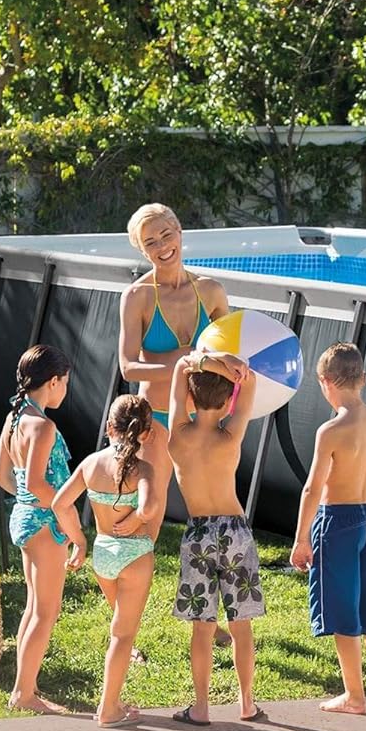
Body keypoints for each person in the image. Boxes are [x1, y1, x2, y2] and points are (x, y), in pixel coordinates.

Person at [117, 201, 238, 650]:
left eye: (166, 234)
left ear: (180, 230)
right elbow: (129, 366)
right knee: (148, 520)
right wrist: (188, 362)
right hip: (157, 421)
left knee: (211, 520)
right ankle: (126, 632)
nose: (162, 246)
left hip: (203, 419)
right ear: (142, 250)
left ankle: (211, 620)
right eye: (150, 241)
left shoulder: (212, 291)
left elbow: (234, 356)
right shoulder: (137, 297)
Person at [290, 343, 366, 714]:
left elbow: (313, 488)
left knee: (342, 608)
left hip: (338, 521)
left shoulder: (331, 430)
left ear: (326, 381)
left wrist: (301, 538)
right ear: (361, 378)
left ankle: (354, 696)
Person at [165, 348, 266, 725]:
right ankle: (247, 704)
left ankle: (201, 707)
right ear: (228, 403)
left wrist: (211, 358)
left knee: (202, 627)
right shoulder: (230, 437)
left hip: (198, 533)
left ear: (190, 399)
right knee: (241, 625)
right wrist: (236, 366)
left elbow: (181, 365)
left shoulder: (177, 437)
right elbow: (250, 382)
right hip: (235, 532)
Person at [51, 394, 164, 728]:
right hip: (134, 555)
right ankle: (108, 708)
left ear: (109, 427)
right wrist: (136, 518)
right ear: (146, 433)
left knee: (118, 628)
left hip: (103, 553)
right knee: (123, 635)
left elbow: (60, 504)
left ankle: (111, 702)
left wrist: (79, 541)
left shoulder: (91, 464)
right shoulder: (143, 469)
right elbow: (150, 507)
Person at [0, 344, 86, 715]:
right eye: (66, 382)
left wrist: (29, 504)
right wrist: (70, 521)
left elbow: (3, 476)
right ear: (53, 381)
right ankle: (23, 694)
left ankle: (25, 686)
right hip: (45, 524)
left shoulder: (14, 417)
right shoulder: (43, 426)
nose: (66, 390)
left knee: (35, 607)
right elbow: (36, 483)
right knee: (46, 611)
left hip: (25, 519)